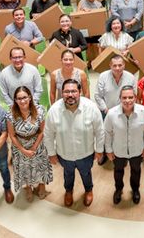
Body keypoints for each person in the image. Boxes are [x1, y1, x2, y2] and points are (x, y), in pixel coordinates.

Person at [44, 79, 105, 207]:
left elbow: (100, 131)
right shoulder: (54, 111)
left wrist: (99, 150)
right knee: (68, 174)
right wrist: (51, 153)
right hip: (64, 154)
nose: (70, 95)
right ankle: (68, 191)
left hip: (86, 153)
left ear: (80, 92)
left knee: (86, 173)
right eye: (66, 91)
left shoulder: (91, 108)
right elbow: (48, 134)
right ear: (62, 93)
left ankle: (88, 190)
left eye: (73, 91)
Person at [104, 86, 144, 205]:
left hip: (137, 150)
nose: (127, 100)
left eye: (130, 97)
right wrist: (109, 150)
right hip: (118, 150)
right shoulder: (111, 113)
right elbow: (107, 133)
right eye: (124, 97)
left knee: (136, 171)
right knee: (118, 171)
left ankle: (135, 190)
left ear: (135, 98)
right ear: (120, 98)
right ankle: (118, 189)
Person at [6, 86, 52, 202]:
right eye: (19, 98)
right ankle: (28, 188)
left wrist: (34, 147)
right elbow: (12, 135)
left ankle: (42, 187)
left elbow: (42, 131)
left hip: (38, 143)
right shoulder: (10, 114)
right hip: (19, 145)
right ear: (15, 100)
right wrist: (23, 150)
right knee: (24, 168)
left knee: (40, 166)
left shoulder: (40, 110)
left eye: (25, 97)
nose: (22, 101)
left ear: (30, 98)